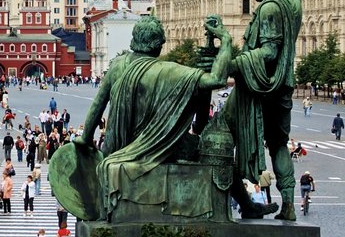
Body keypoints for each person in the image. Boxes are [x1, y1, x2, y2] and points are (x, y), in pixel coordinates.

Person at [75, 15, 236, 221]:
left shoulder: (117, 66)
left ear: (134, 41)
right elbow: (217, 79)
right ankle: (243, 207)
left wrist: (85, 139)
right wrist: (226, 41)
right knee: (220, 157)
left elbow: (97, 106)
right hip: (162, 149)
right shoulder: (171, 71)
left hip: (117, 149)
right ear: (159, 45)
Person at [221, 0, 302, 221]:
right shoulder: (290, 2)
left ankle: (238, 202)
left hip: (258, 88)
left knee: (219, 138)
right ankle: (288, 204)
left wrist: (233, 63)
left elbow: (269, 52)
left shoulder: (269, 8)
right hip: (282, 89)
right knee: (279, 143)